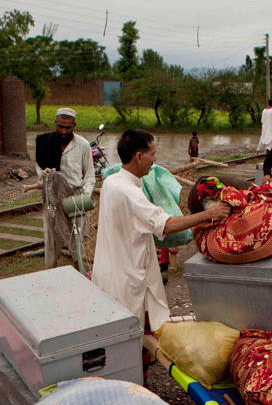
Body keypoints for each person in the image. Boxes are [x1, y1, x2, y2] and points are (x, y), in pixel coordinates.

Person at [92, 129, 229, 336]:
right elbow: (165, 225)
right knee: (128, 333)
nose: (154, 160)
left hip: (114, 268)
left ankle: (143, 356)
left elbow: (139, 226)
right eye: (153, 154)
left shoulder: (113, 182)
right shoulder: (129, 193)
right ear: (139, 156)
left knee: (132, 326)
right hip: (127, 276)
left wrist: (193, 227)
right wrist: (210, 213)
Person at [34, 107, 96, 268]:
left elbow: (89, 176)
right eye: (60, 126)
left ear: (74, 126)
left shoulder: (82, 145)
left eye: (67, 128)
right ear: (55, 123)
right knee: (51, 239)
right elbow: (39, 169)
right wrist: (44, 174)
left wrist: (85, 195)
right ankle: (50, 274)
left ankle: (80, 273)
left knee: (78, 239)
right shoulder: (45, 142)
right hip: (52, 198)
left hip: (74, 197)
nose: (63, 131)